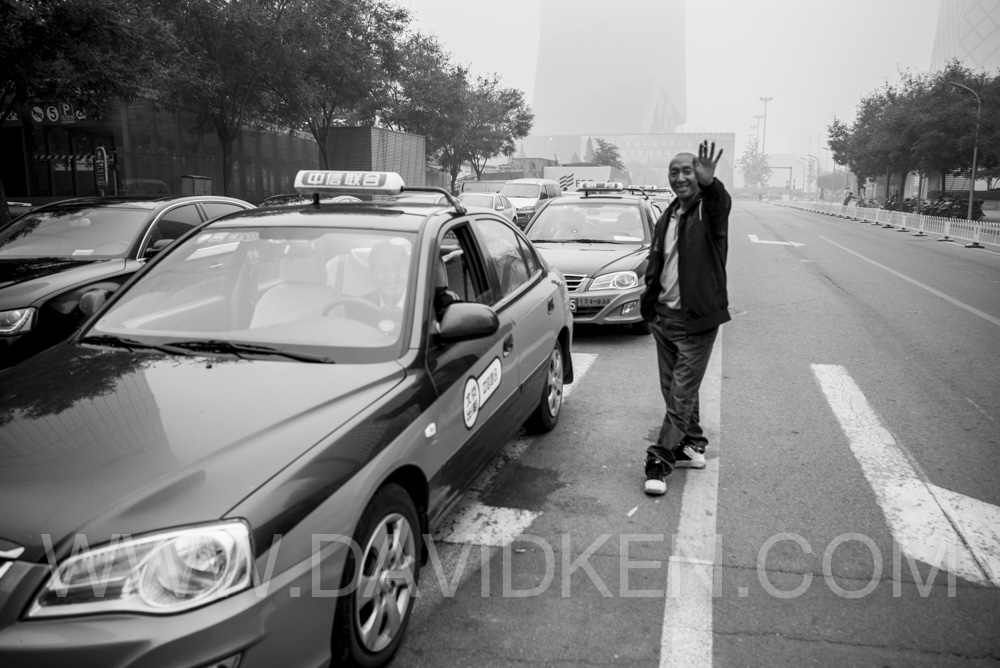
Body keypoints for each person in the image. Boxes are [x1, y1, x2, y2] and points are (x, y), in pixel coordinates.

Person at [639, 141, 731, 496]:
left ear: (700, 176)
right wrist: (650, 306)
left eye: (687, 171)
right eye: (673, 173)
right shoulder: (668, 214)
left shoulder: (709, 213)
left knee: (680, 395)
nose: (679, 178)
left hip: (696, 323)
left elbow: (720, 203)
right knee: (673, 390)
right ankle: (691, 445)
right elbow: (657, 262)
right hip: (664, 318)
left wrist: (711, 185)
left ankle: (659, 459)